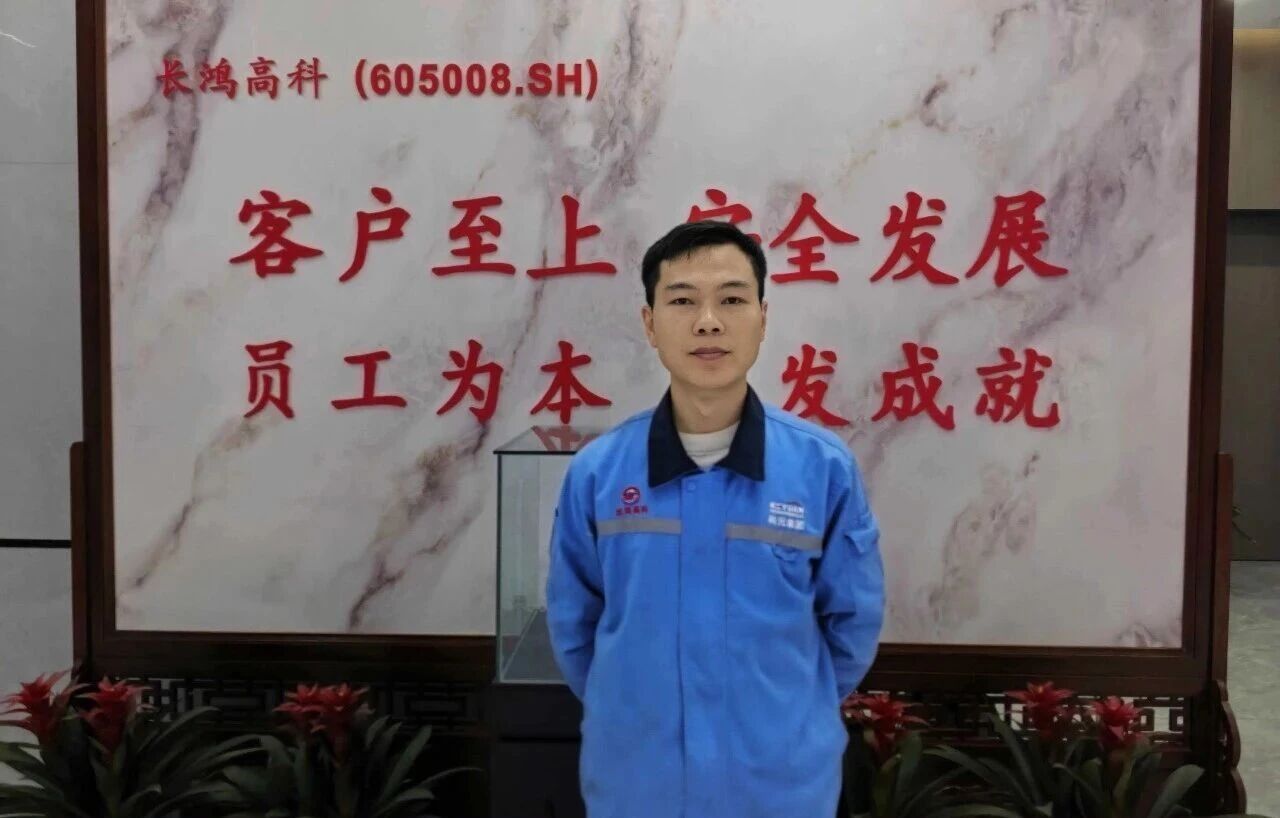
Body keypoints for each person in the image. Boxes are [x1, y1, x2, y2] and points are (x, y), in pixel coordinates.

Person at [545, 220, 885, 818]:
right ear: (650, 322)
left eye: (731, 300)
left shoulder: (822, 469)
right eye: (682, 301)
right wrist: (633, 711)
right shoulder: (599, 474)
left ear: (762, 317)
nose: (708, 322)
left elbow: (851, 626)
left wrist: (783, 714)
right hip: (638, 787)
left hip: (781, 789)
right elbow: (575, 630)